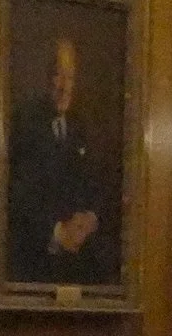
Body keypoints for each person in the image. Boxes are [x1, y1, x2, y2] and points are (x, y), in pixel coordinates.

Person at [6, 36, 118, 287]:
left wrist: (90, 218)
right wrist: (57, 233)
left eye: (70, 77)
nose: (64, 86)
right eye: (58, 75)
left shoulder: (79, 126)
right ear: (45, 77)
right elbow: (16, 197)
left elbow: (94, 186)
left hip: (77, 260)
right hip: (34, 263)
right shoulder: (23, 124)